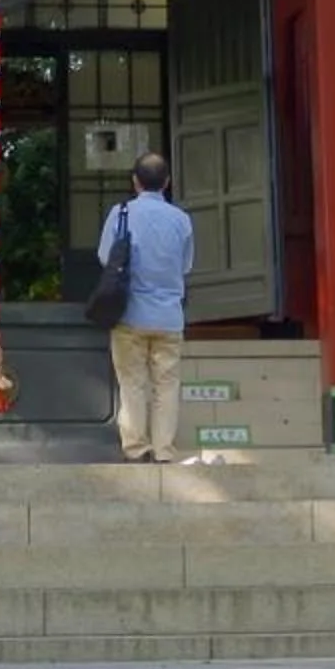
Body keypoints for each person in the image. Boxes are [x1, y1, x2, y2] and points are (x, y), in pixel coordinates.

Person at [96, 151, 195, 463]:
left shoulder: (121, 213)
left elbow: (104, 257)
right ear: (167, 182)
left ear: (135, 181)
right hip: (169, 316)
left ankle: (137, 448)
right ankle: (165, 450)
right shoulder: (181, 219)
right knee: (166, 384)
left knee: (133, 383)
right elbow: (186, 265)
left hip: (130, 313)